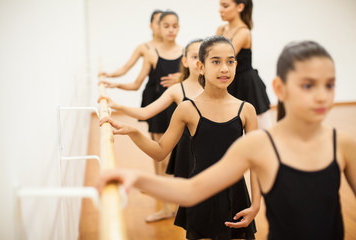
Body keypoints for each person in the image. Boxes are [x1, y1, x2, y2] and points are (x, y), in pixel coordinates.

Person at [98, 41, 356, 240]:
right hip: (206, 198)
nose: (322, 96)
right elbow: (190, 189)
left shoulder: (343, 144)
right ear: (279, 88)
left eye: (330, 85)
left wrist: (255, 204)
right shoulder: (257, 143)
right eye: (309, 86)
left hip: (236, 199)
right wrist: (134, 172)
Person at [99, 35, 260, 239]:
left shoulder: (246, 110)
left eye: (230, 62)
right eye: (216, 62)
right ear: (201, 66)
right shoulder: (187, 109)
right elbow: (159, 152)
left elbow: (256, 163)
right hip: (197, 193)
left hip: (235, 196)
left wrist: (256, 204)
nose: (224, 69)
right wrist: (134, 132)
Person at [101, 10, 184, 222]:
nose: (169, 29)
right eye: (165, 25)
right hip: (156, 107)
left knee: (172, 157)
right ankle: (164, 200)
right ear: (157, 26)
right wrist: (113, 81)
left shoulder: (185, 53)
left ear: (179, 27)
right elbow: (136, 80)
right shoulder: (149, 52)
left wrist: (182, 78)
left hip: (176, 107)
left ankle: (171, 199)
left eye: (174, 25)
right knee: (159, 156)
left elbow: (196, 78)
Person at [98, 38, 204, 178]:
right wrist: (117, 106)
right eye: (194, 57)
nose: (198, 62)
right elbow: (146, 112)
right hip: (189, 152)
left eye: (203, 57)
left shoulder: (215, 87)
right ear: (185, 61)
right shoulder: (177, 90)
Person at [216, 0, 272, 129]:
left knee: (261, 131)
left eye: (225, 6)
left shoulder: (243, 32)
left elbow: (224, 56)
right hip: (229, 82)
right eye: (220, 6)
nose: (220, 10)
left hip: (247, 85)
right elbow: (210, 54)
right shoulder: (221, 29)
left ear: (240, 7)